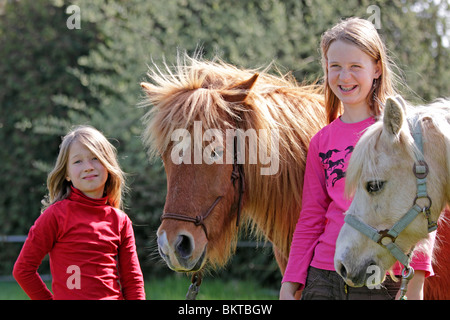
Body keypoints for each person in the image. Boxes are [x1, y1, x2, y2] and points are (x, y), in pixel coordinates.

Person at [280, 17, 434, 300]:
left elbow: (422, 210)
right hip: (324, 276)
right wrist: (289, 283)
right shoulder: (321, 142)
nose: (344, 76)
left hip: (381, 277)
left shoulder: (401, 136)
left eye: (355, 67)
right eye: (335, 66)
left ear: (376, 69)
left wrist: (415, 288)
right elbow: (311, 218)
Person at [13, 125, 146, 300]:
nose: (88, 167)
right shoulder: (55, 216)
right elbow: (23, 270)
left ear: (108, 165)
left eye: (95, 158)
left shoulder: (120, 221)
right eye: (78, 161)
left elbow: (133, 280)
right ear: (67, 173)